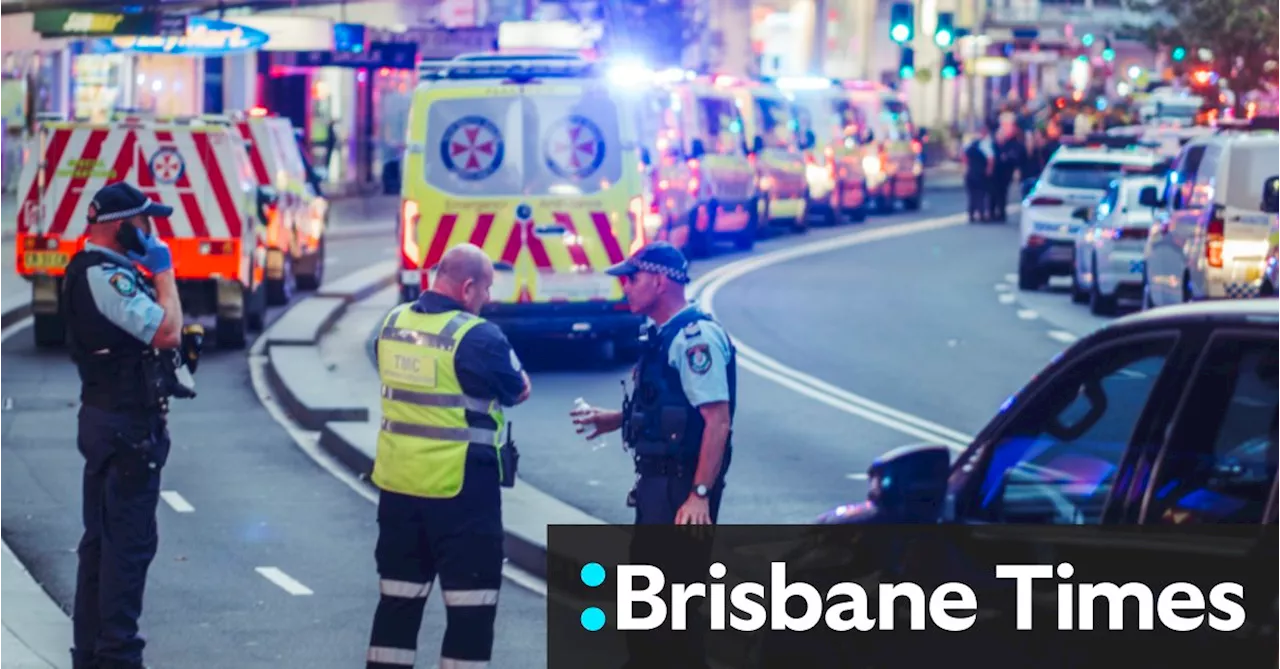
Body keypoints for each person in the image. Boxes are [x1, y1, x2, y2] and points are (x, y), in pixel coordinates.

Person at [365, 243, 531, 669]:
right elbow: (519, 389)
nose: (488, 299)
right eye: (487, 289)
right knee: (470, 612)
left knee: (397, 604)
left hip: (398, 490)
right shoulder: (476, 336)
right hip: (459, 493)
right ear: (468, 287)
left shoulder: (392, 323)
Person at [64, 182, 190, 669]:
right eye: (145, 224)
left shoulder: (109, 272)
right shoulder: (105, 276)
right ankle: (115, 656)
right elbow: (166, 329)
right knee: (125, 549)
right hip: (123, 427)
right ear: (123, 229)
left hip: (113, 422)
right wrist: (164, 272)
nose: (152, 231)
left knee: (104, 546)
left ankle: (94, 655)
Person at [570, 241, 736, 526]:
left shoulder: (695, 340)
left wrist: (699, 494)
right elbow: (672, 408)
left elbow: (717, 421)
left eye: (633, 278)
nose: (626, 287)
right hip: (659, 483)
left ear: (659, 282)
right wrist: (618, 419)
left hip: (682, 486)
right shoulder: (664, 334)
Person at [962, 126, 994, 222]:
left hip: (971, 172)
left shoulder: (970, 144)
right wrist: (989, 170)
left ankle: (971, 214)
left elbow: (964, 156)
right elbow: (990, 159)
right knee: (980, 195)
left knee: (972, 195)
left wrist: (966, 167)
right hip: (980, 173)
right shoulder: (985, 145)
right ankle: (980, 214)